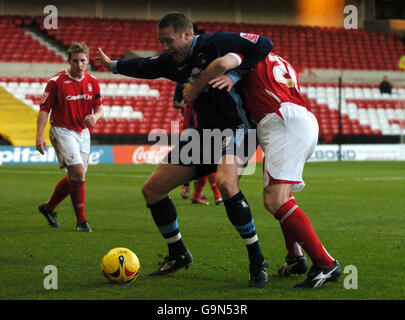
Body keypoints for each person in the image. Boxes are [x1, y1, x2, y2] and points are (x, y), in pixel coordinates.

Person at [97, 12, 273, 287]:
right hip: (203, 136)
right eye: (161, 41)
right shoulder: (171, 61)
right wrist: (115, 66)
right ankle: (178, 253)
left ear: (187, 34)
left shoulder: (216, 42)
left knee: (226, 185)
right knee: (152, 190)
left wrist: (236, 75)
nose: (165, 47)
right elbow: (147, 66)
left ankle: (257, 260)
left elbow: (264, 43)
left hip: (238, 128)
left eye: (169, 41)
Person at [183, 51, 341, 289]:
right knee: (282, 196)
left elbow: (222, 72)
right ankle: (295, 258)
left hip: (280, 122)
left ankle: (325, 262)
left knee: (275, 201)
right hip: (297, 118)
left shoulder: (245, 58)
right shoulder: (281, 61)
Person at [36, 42, 104, 232]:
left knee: (76, 176)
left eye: (83, 60)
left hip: (82, 133)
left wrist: (95, 116)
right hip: (62, 131)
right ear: (69, 61)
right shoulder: (56, 82)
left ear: (87, 60)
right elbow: (44, 109)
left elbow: (100, 108)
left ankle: (48, 207)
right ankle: (81, 221)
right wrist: (39, 135)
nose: (80, 64)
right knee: (79, 173)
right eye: (76, 61)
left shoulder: (92, 82)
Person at [174, 83, 223, 205]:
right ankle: (214, 195)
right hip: (195, 130)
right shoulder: (187, 91)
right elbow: (177, 104)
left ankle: (197, 194)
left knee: (202, 161)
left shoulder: (202, 95)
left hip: (201, 129)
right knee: (204, 161)